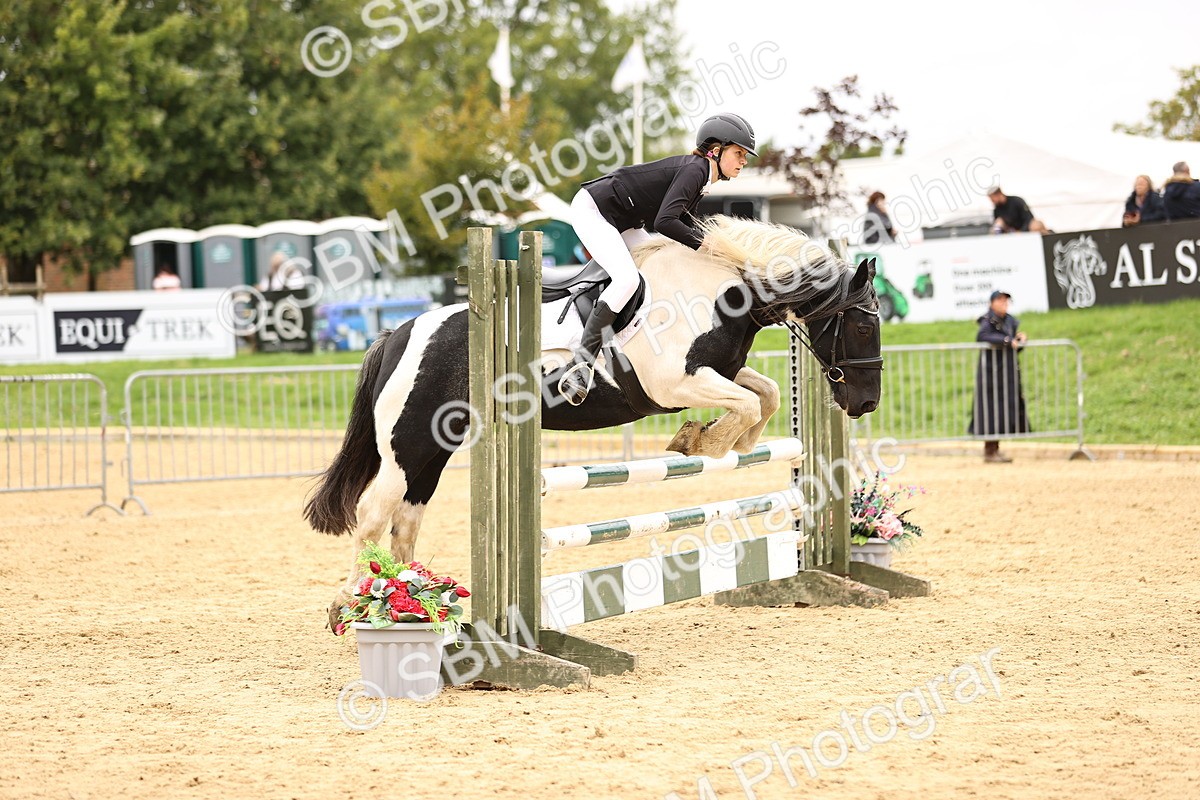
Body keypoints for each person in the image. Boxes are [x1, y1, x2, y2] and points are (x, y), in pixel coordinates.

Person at [560, 113, 756, 405]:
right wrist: (707, 245)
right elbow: (666, 222)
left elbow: (682, 223)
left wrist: (713, 249)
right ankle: (581, 364)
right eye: (739, 153)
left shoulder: (701, 176)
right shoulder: (695, 170)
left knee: (659, 267)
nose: (744, 161)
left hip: (625, 220)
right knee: (626, 279)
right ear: (716, 150)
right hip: (595, 210)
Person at [969, 291, 1030, 463]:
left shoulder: (1010, 320)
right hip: (991, 374)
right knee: (991, 411)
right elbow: (982, 336)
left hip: (1007, 373)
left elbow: (1014, 345)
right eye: (1000, 300)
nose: (1004, 303)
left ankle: (995, 449)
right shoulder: (988, 320)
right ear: (991, 303)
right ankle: (989, 451)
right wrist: (1005, 340)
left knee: (1002, 412)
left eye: (1005, 300)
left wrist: (1020, 340)